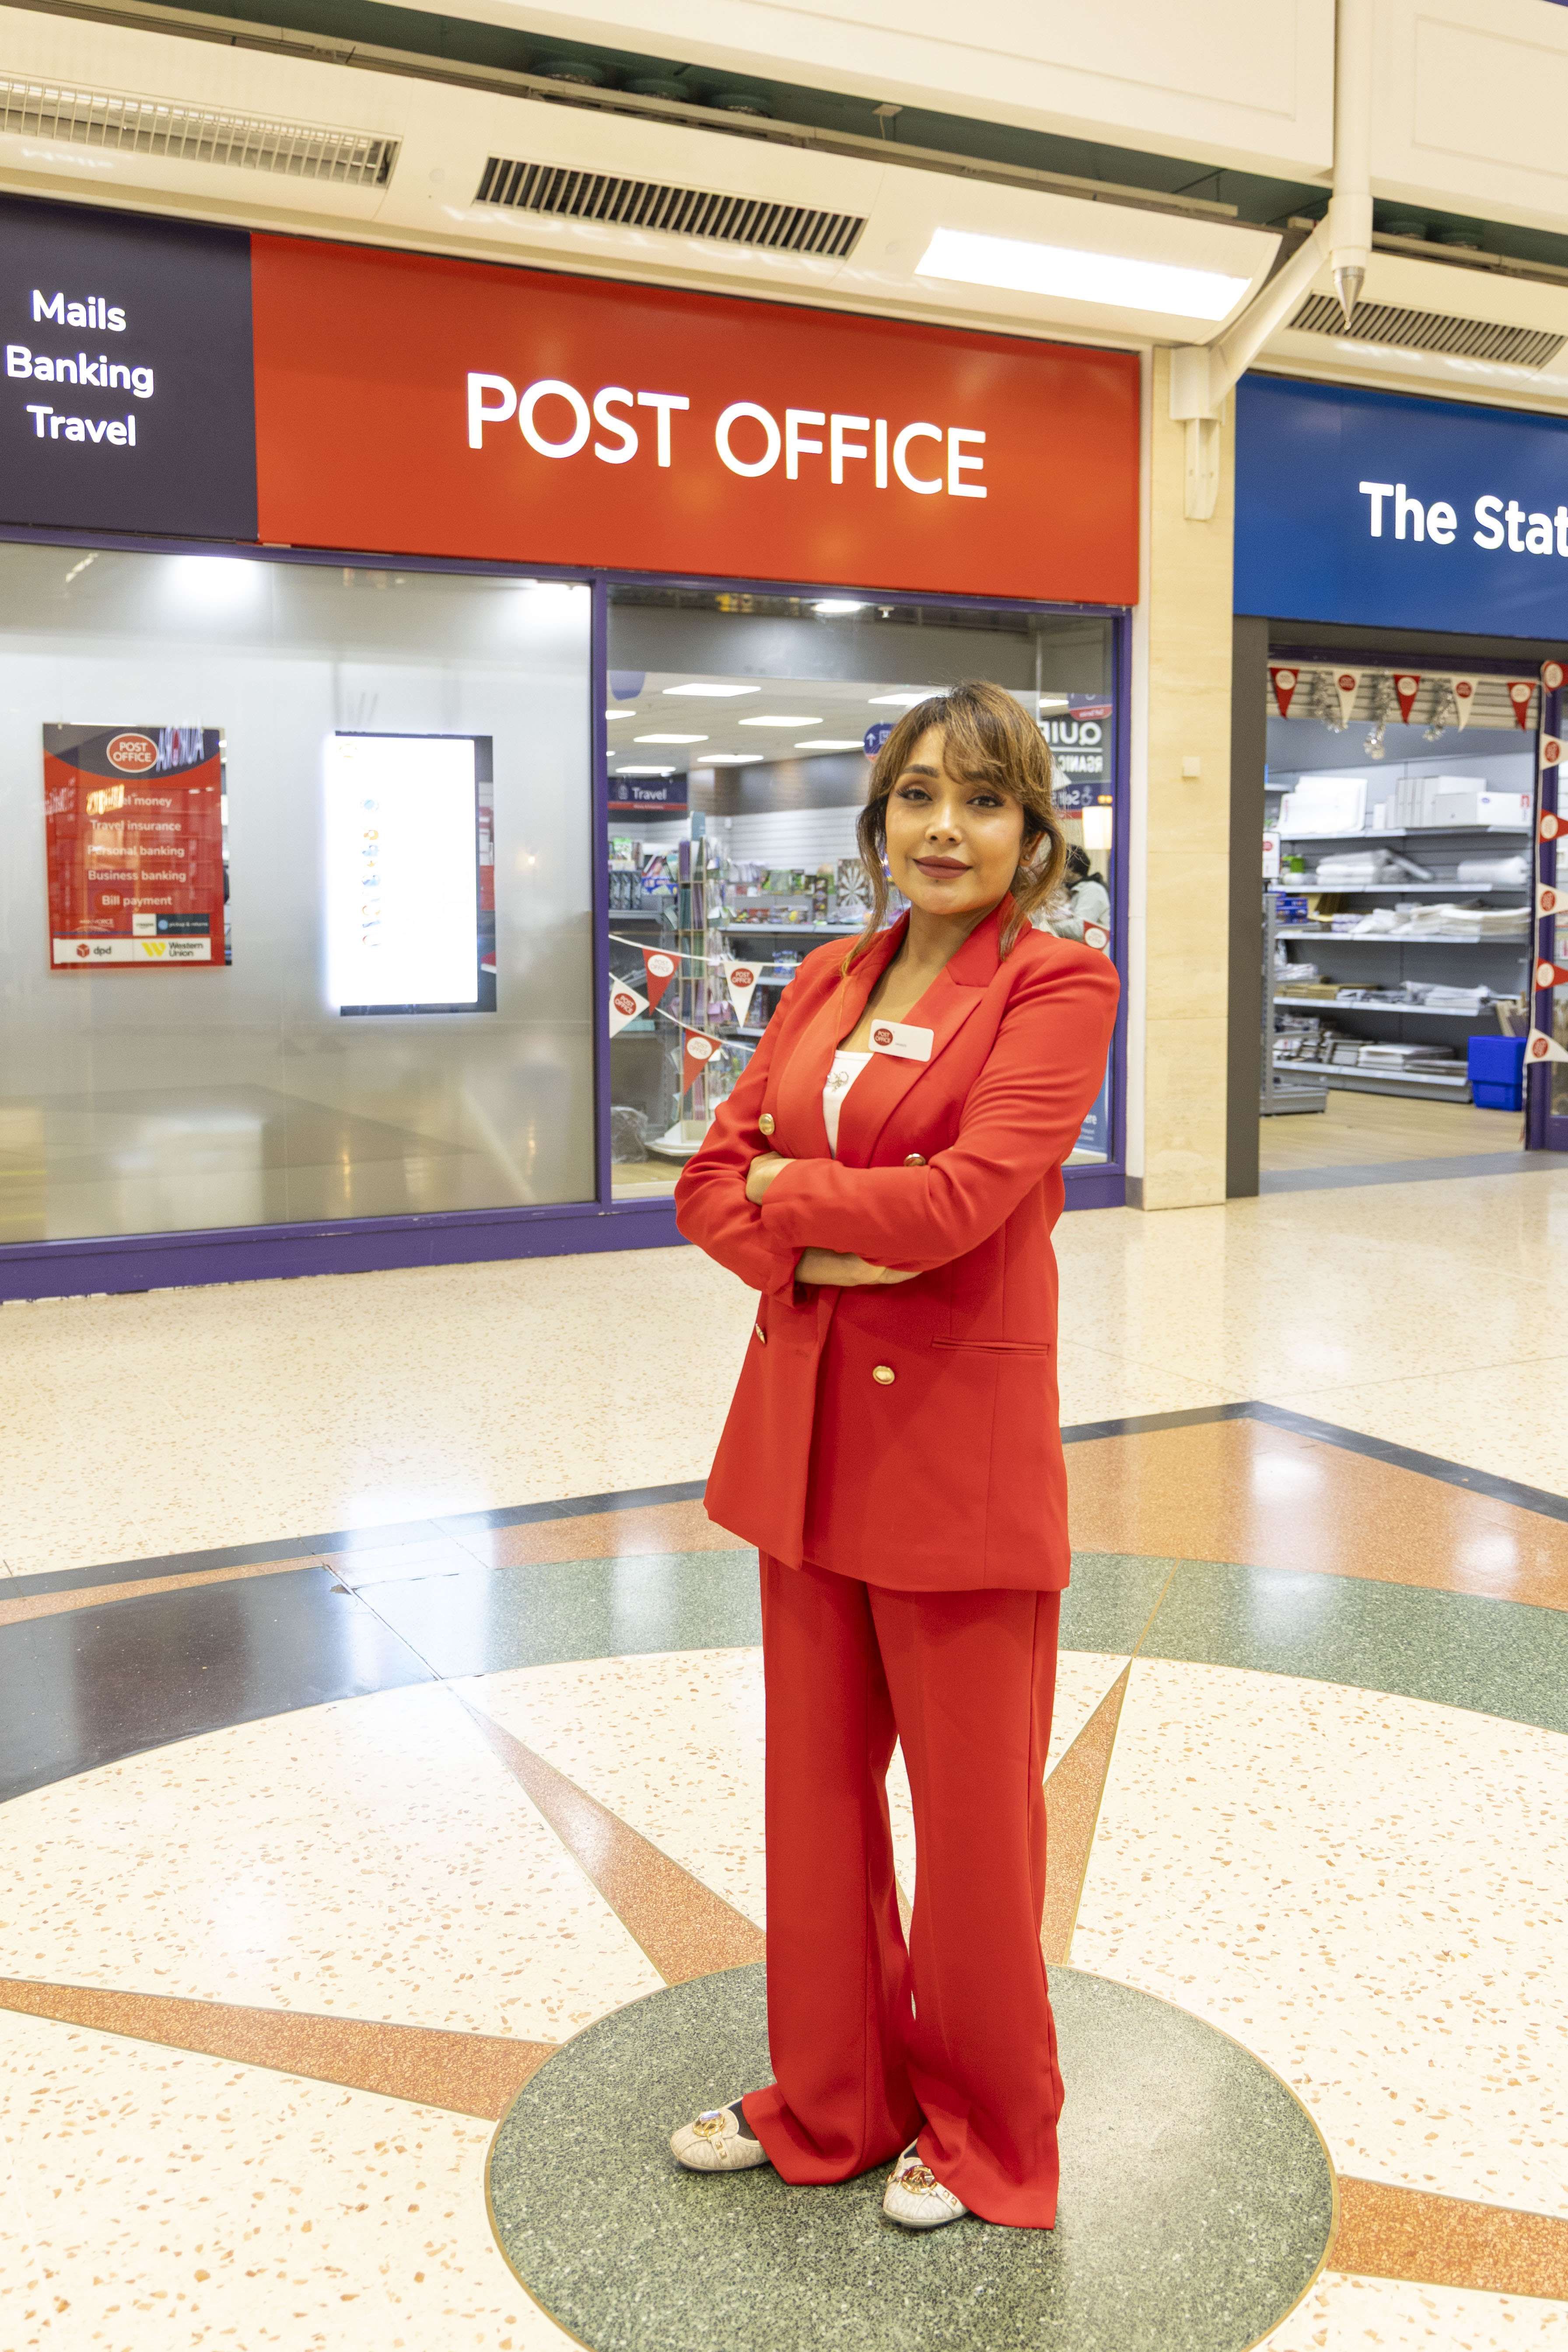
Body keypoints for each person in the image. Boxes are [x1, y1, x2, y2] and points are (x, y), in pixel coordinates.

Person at [669, 681, 1119, 2233]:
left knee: (976, 1821)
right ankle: (834, 2097)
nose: (946, 825)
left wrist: (796, 1198)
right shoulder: (821, 975)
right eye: (920, 793)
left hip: (957, 1461)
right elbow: (709, 1180)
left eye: (984, 800)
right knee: (817, 1799)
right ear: (880, 822)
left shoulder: (1060, 987)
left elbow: (964, 1202)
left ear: (1032, 830)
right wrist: (810, 1235)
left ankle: (992, 2129)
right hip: (803, 1445)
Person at [1041, 841, 1110, 943]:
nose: (1054, 871)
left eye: (1057, 866)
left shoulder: (1092, 890)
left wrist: (1045, 926)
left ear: (1071, 867)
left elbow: (1081, 929)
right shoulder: (1073, 890)